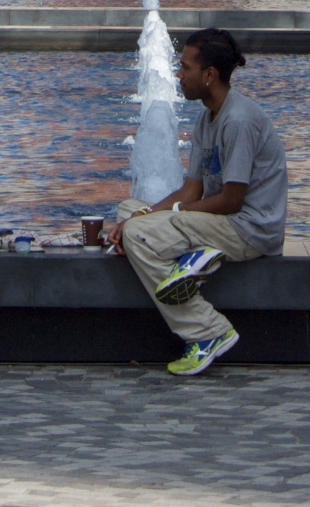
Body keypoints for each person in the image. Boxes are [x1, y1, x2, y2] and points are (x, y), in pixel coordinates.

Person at [105, 26, 288, 374]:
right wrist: (142, 215)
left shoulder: (238, 121)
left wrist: (160, 220)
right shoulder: (207, 118)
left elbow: (232, 200)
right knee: (129, 211)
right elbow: (191, 190)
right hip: (222, 222)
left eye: (186, 67)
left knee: (139, 234)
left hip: (249, 229)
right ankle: (193, 260)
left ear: (209, 74)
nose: (178, 74)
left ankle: (207, 331)